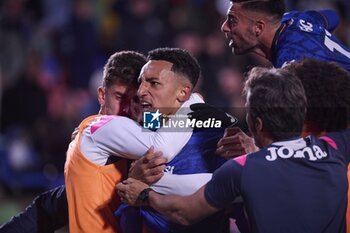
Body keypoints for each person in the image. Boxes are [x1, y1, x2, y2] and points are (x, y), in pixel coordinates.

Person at [117, 65, 350, 233]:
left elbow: (184, 212)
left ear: (256, 124)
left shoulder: (243, 169)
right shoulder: (335, 147)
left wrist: (145, 194)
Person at [0, 50, 148, 233]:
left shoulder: (130, 130)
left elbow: (48, 208)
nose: (126, 108)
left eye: (135, 99)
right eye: (119, 97)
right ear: (102, 95)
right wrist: (188, 109)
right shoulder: (99, 131)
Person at [221, 0, 350, 71]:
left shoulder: (292, 65)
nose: (224, 27)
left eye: (232, 21)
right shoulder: (294, 19)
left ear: (258, 28)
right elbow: (333, 16)